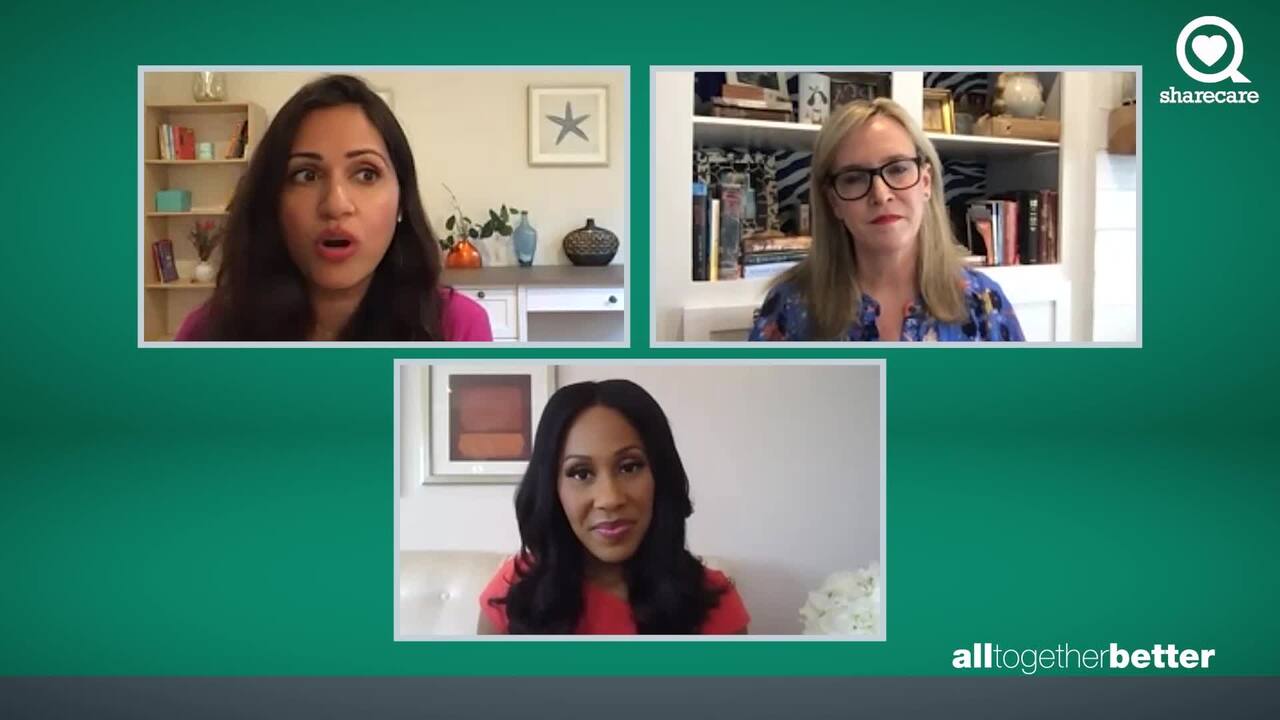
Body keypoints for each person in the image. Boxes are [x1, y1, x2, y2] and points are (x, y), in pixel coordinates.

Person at [175, 74, 491, 341]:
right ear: (272, 200)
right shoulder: (207, 332)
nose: (336, 205)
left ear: (402, 202)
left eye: (366, 174)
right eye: (306, 175)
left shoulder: (457, 328)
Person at [478, 380, 749, 634]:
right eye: (581, 473)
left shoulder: (713, 603)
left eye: (629, 467)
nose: (610, 498)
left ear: (660, 475)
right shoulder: (515, 593)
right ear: (551, 487)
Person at [749, 97, 1024, 342]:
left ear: (925, 182)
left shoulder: (983, 302)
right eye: (854, 178)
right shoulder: (789, 307)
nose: (881, 195)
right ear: (833, 201)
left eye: (898, 169)